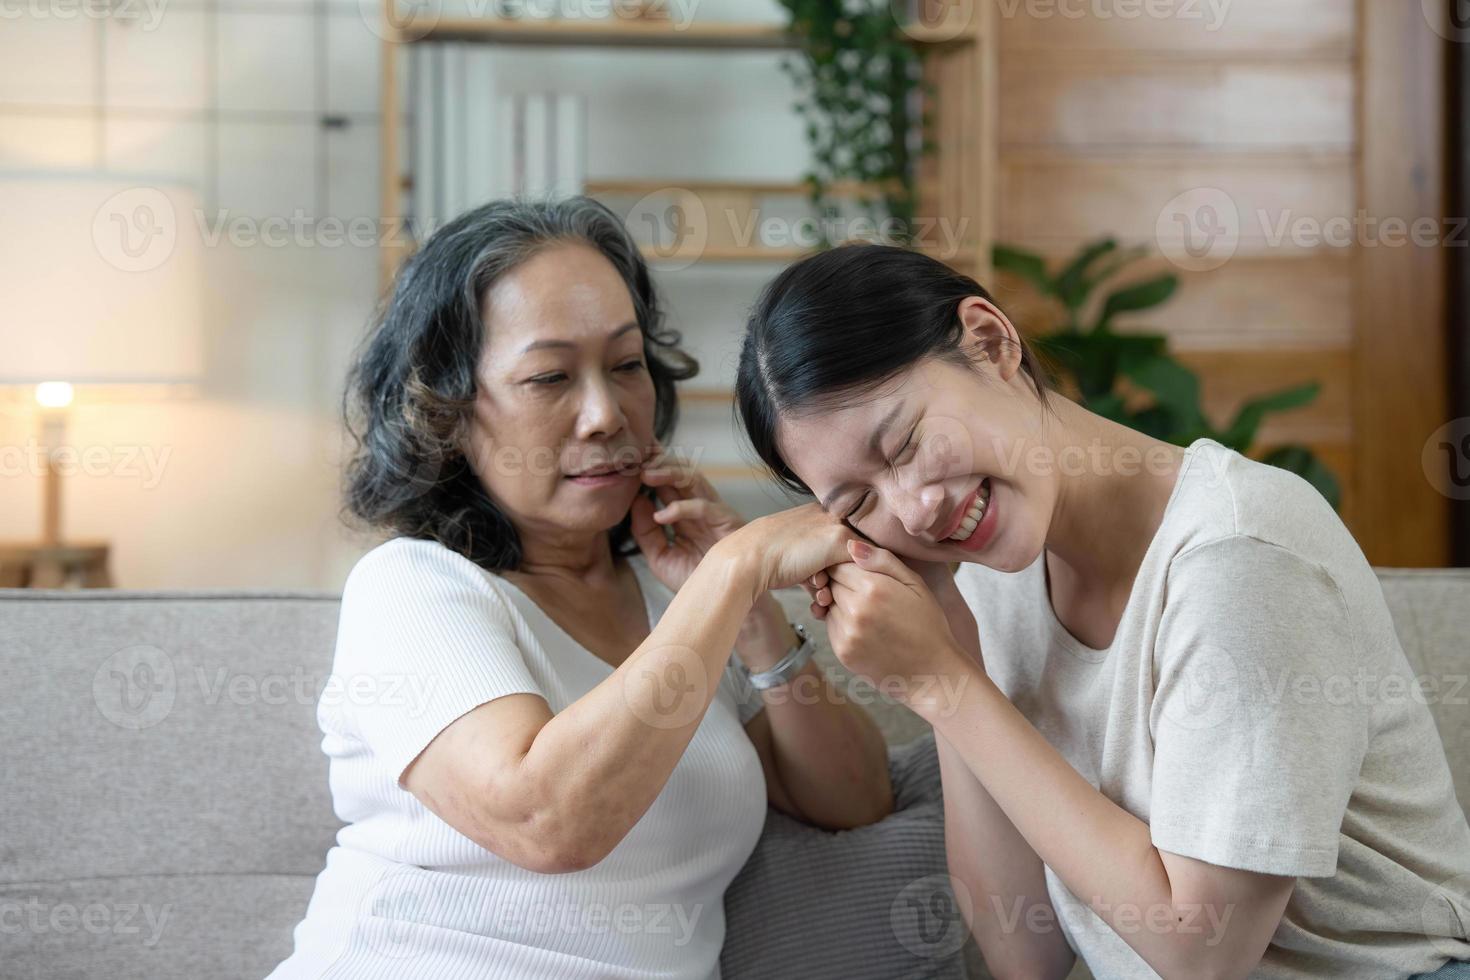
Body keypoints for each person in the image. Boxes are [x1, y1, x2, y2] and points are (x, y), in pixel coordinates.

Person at [734, 242, 1470, 980]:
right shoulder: (993, 570)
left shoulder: (1238, 557)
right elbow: (1025, 955)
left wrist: (943, 684)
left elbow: (1202, 951)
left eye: (907, 441)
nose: (917, 510)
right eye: (859, 503)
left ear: (990, 343)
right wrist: (948, 642)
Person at [268, 199, 892, 980]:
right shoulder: (415, 588)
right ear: (447, 412)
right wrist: (735, 575)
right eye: (549, 377)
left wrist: (753, 617)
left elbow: (856, 799)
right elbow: (545, 822)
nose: (605, 414)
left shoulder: (681, 603)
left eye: (627, 366)